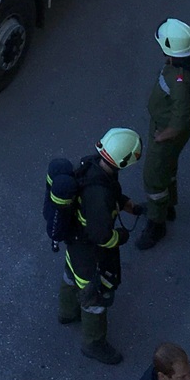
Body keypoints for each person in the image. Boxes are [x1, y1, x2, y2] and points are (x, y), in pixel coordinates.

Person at [58, 127, 143, 364]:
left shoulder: (92, 165)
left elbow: (108, 194)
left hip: (75, 241)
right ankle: (93, 343)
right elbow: (102, 236)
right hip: (91, 251)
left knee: (71, 275)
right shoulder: (100, 193)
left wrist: (126, 204)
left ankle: (67, 312)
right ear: (123, 161)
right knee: (96, 295)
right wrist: (121, 237)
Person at [137, 19, 190, 250]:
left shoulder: (179, 79)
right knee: (167, 169)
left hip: (166, 132)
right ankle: (168, 206)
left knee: (153, 177)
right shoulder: (181, 67)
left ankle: (156, 223)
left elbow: (180, 118)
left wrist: (163, 136)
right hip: (165, 128)